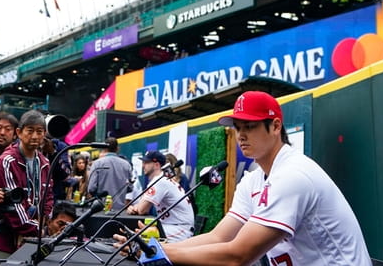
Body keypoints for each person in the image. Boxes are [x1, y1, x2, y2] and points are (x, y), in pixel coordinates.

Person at [150, 91, 371, 265]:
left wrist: (163, 253)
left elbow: (238, 256)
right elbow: (219, 237)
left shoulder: (293, 174)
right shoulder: (253, 180)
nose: (241, 135)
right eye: (238, 128)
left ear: (275, 126)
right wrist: (153, 248)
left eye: (250, 126)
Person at [0, 110, 53, 258]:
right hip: (5, 242)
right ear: (19, 132)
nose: (35, 136)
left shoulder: (45, 162)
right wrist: (39, 230)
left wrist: (43, 222)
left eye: (40, 131)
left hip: (34, 240)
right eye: (30, 131)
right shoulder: (7, 161)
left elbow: (48, 196)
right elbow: (12, 208)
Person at [126, 150, 194, 242]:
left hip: (179, 228)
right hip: (171, 226)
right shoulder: (161, 179)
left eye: (146, 162)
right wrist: (135, 208)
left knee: (140, 239)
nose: (143, 166)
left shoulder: (160, 181)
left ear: (157, 165)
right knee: (137, 236)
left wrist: (134, 208)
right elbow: (140, 207)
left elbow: (142, 209)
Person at [87, 137, 132, 211]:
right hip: (120, 211)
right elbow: (130, 187)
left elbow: (91, 188)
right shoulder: (126, 165)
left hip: (101, 208)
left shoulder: (97, 164)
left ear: (104, 148)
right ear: (117, 148)